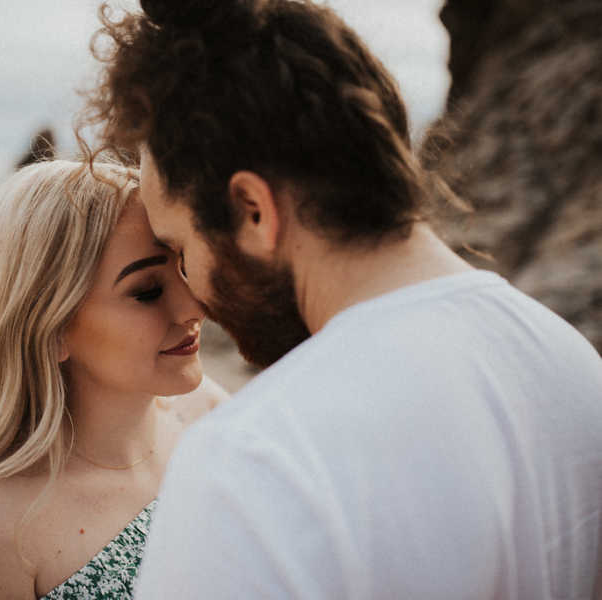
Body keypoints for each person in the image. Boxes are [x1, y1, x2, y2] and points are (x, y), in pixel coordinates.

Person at [80, 0, 602, 597]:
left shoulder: (255, 464)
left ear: (253, 212)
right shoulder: (571, 364)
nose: (192, 289)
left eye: (180, 247)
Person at [0, 159, 227, 599]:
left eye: (185, 268)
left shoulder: (208, 417)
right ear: (50, 327)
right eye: (147, 292)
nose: (195, 306)